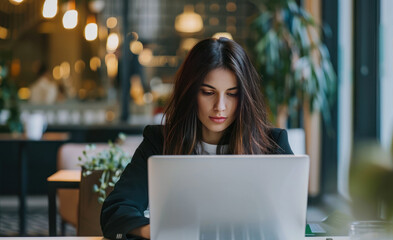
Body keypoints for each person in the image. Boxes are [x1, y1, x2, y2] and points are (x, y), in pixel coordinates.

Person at [100, 37, 294, 240]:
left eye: (232, 94)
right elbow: (115, 212)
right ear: (191, 92)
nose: (220, 106)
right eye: (208, 92)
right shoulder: (160, 141)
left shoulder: (272, 144)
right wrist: (161, 232)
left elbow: (291, 218)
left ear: (244, 97)